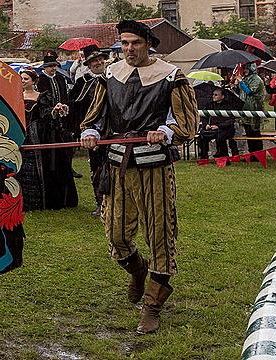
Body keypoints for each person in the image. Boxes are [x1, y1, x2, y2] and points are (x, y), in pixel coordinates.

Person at [80, 20, 198, 335]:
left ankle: (153, 304)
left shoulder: (171, 77)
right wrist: (91, 131)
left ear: (148, 44)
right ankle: (137, 271)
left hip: (155, 168)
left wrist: (167, 130)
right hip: (118, 165)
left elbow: (187, 123)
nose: (129, 49)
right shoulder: (110, 75)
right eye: (124, 43)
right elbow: (96, 116)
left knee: (159, 235)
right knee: (116, 235)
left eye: (135, 43)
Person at [68, 45, 109, 215]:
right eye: (94, 61)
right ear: (88, 64)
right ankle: (100, 203)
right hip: (92, 130)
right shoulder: (82, 82)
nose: (98, 62)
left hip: (113, 129)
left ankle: (117, 202)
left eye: (100, 59)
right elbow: (75, 106)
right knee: (97, 167)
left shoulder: (114, 77)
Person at [36, 50, 78, 210]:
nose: (53, 69)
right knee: (50, 161)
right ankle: (52, 199)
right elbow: (41, 105)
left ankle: (66, 198)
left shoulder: (61, 78)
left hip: (62, 126)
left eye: (54, 66)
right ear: (44, 67)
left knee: (64, 160)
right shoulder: (40, 81)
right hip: (47, 128)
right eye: (50, 66)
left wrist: (65, 108)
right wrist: (53, 110)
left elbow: (66, 98)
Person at [16, 69, 46, 211]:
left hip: (34, 134)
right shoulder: (17, 96)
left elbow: (44, 114)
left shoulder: (40, 96)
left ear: (33, 81)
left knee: (33, 166)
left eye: (26, 79)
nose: (23, 81)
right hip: (20, 133)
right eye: (21, 79)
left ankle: (34, 201)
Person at [197, 87, 239, 159]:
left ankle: (223, 156)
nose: (213, 96)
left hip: (226, 129)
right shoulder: (210, 105)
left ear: (222, 97)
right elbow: (203, 116)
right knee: (201, 136)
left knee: (220, 137)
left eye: (216, 95)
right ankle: (204, 156)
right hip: (212, 128)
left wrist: (219, 126)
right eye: (213, 94)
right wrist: (206, 124)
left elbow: (231, 120)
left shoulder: (229, 106)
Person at [234, 63, 266, 154]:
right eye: (244, 69)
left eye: (247, 69)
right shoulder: (245, 78)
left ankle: (258, 153)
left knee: (255, 133)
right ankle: (252, 153)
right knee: (248, 133)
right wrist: (235, 85)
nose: (245, 71)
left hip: (255, 108)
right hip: (245, 108)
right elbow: (241, 92)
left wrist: (241, 82)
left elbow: (249, 92)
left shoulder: (257, 79)